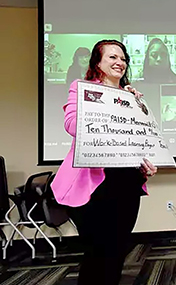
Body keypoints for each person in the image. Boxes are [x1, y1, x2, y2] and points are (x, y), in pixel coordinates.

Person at [51, 39, 158, 285]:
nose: (119, 63)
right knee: (97, 251)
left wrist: (145, 163)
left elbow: (138, 141)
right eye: (112, 57)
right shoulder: (82, 88)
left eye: (123, 58)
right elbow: (71, 125)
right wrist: (108, 106)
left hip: (127, 182)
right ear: (97, 63)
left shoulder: (132, 96)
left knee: (118, 250)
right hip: (95, 185)